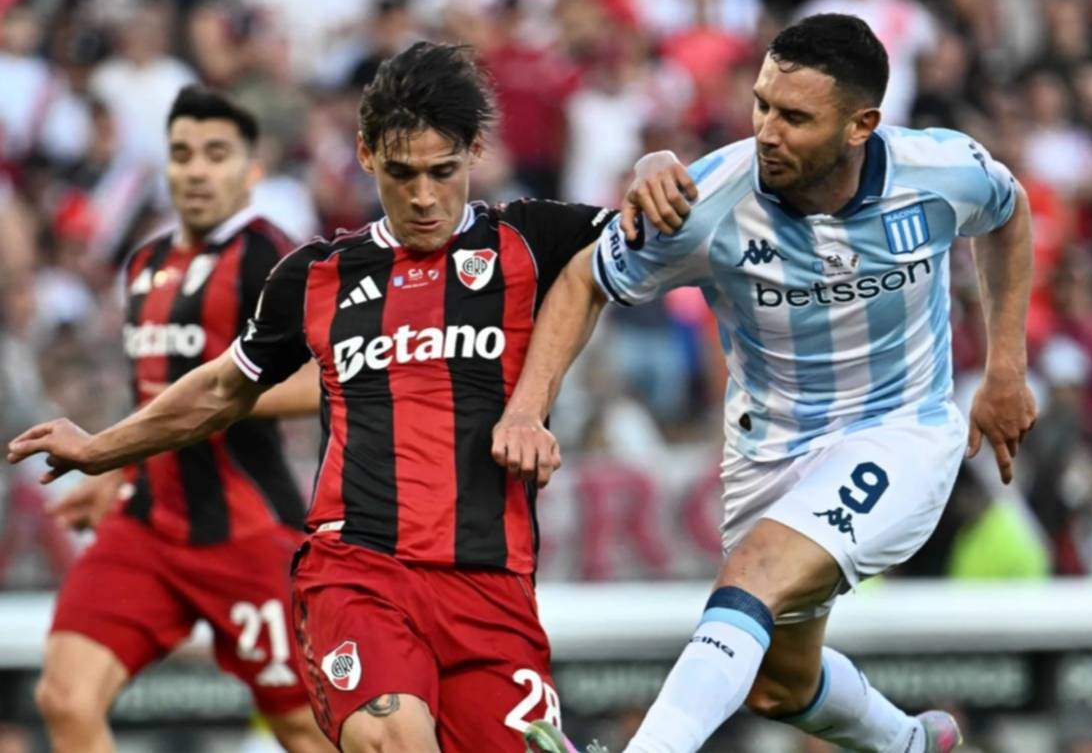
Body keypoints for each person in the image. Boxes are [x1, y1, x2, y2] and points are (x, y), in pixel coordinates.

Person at [9, 44, 687, 753]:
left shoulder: (532, 237)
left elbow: (628, 241)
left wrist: (654, 163)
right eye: (400, 173)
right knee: (393, 738)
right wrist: (102, 448)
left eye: (442, 171)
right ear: (365, 154)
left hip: (493, 584)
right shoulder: (313, 276)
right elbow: (221, 388)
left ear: (475, 151)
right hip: (359, 571)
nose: (422, 196)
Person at [495, 13, 1036, 753]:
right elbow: (584, 279)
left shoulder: (941, 171)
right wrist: (528, 411)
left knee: (752, 576)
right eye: (761, 105)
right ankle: (909, 744)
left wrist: (1005, 369)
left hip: (900, 431)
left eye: (794, 118)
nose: (766, 133)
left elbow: (1008, 213)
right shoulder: (709, 201)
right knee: (778, 684)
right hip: (768, 453)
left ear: (861, 125)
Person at [27, 86, 331, 753]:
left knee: (305, 730)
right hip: (146, 526)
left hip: (248, 531)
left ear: (251, 169)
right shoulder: (143, 263)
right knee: (65, 698)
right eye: (183, 154)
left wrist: (221, 396)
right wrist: (116, 470)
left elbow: (331, 374)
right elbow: (150, 392)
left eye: (216, 154)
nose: (196, 170)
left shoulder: (272, 260)